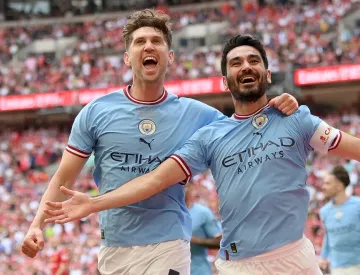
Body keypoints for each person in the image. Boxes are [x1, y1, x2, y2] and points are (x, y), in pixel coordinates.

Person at [43, 34, 360, 275]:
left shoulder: (297, 118)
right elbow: (156, 179)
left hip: (296, 256)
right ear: (225, 81)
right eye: (235, 63)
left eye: (252, 60)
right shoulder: (210, 137)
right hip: (241, 267)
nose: (245, 67)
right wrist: (95, 202)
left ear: (267, 72)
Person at [20, 10, 299, 275]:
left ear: (171, 57)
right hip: (114, 247)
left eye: (157, 41)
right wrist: (36, 225)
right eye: (140, 42)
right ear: (128, 58)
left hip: (169, 243)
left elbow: (247, 128)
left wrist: (278, 105)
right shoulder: (96, 112)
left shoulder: (197, 114)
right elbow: (62, 177)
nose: (149, 46)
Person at [318, 165, 360, 275]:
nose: (323, 187)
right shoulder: (324, 211)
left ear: (339, 186)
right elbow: (328, 236)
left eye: (328, 183)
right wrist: (323, 257)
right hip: (337, 270)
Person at [186, 183, 222, 275]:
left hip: (198, 270)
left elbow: (219, 243)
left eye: (184, 186)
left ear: (191, 189)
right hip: (172, 267)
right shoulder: (167, 213)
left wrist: (195, 240)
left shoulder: (203, 212)